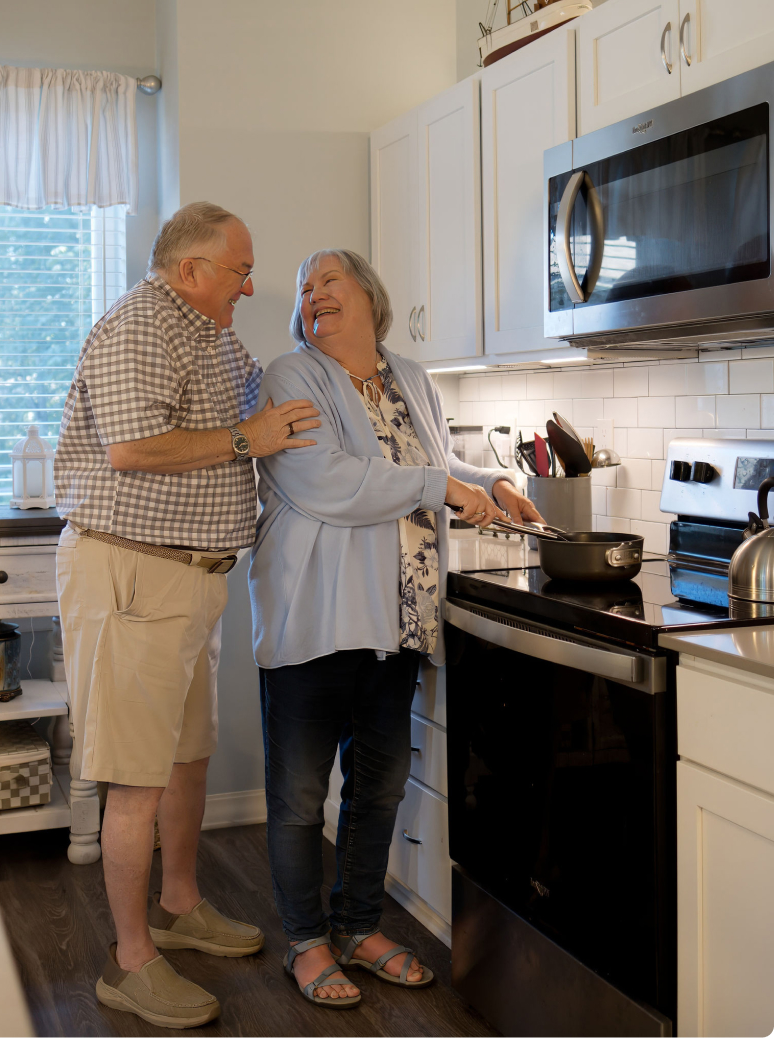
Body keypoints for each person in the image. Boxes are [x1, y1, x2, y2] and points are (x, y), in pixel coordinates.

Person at [248, 249, 543, 1010]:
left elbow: (433, 463)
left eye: (328, 281)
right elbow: (331, 481)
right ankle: (306, 942)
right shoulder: (292, 376)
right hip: (316, 615)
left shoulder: (411, 377)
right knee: (299, 795)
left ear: (371, 297)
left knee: (377, 788)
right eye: (305, 287)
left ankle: (356, 927)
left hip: (400, 616)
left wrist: (492, 481)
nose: (313, 294)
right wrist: (442, 484)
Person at [54, 202, 320, 1029]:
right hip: (133, 573)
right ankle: (129, 962)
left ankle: (178, 903)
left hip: (192, 579)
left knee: (185, 759)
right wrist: (251, 440)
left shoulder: (208, 332)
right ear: (189, 269)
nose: (248, 283)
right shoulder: (142, 326)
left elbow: (260, 406)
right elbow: (135, 449)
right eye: (239, 269)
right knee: (135, 778)